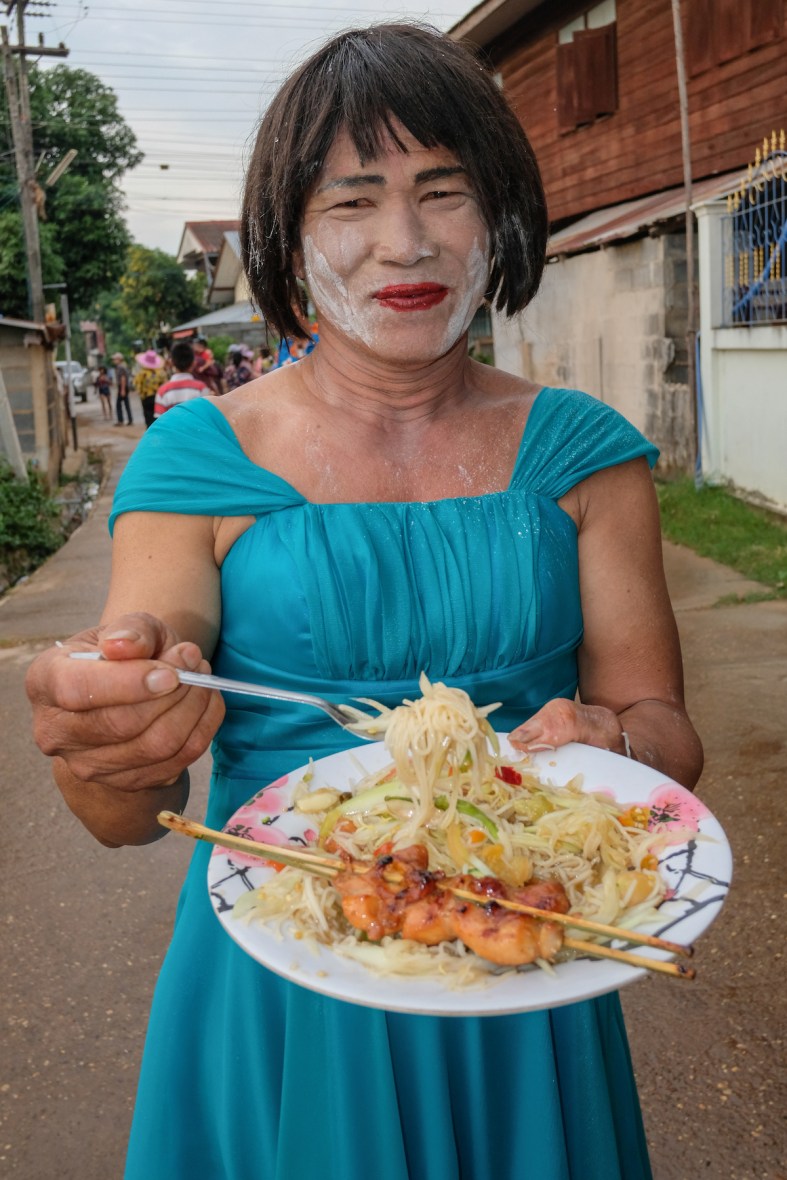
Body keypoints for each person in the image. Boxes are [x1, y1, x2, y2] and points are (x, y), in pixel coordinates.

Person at [26, 24, 703, 1180]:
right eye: (353, 201)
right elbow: (132, 808)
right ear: (287, 236)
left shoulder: (588, 454)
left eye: (444, 192)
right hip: (282, 961)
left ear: (500, 216)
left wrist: (614, 737)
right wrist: (109, 740)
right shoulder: (199, 460)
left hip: (521, 949)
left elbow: (666, 733)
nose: (406, 240)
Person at [153, 341, 212, 418]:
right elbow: (207, 416)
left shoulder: (162, 391)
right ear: (194, 363)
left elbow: (159, 421)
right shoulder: (201, 388)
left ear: (171, 363)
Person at [133, 348, 167, 429]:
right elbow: (165, 385)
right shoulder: (161, 373)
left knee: (148, 416)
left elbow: (137, 385)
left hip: (146, 398)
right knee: (157, 416)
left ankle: (150, 431)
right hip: (158, 398)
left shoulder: (141, 373)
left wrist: (141, 393)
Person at [110, 351, 132, 425]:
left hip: (123, 386)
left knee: (118, 405)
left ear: (119, 359)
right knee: (126, 404)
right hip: (124, 386)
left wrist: (122, 390)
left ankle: (120, 420)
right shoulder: (123, 366)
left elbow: (123, 378)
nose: (114, 361)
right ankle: (130, 419)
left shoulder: (120, 367)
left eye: (115, 359)